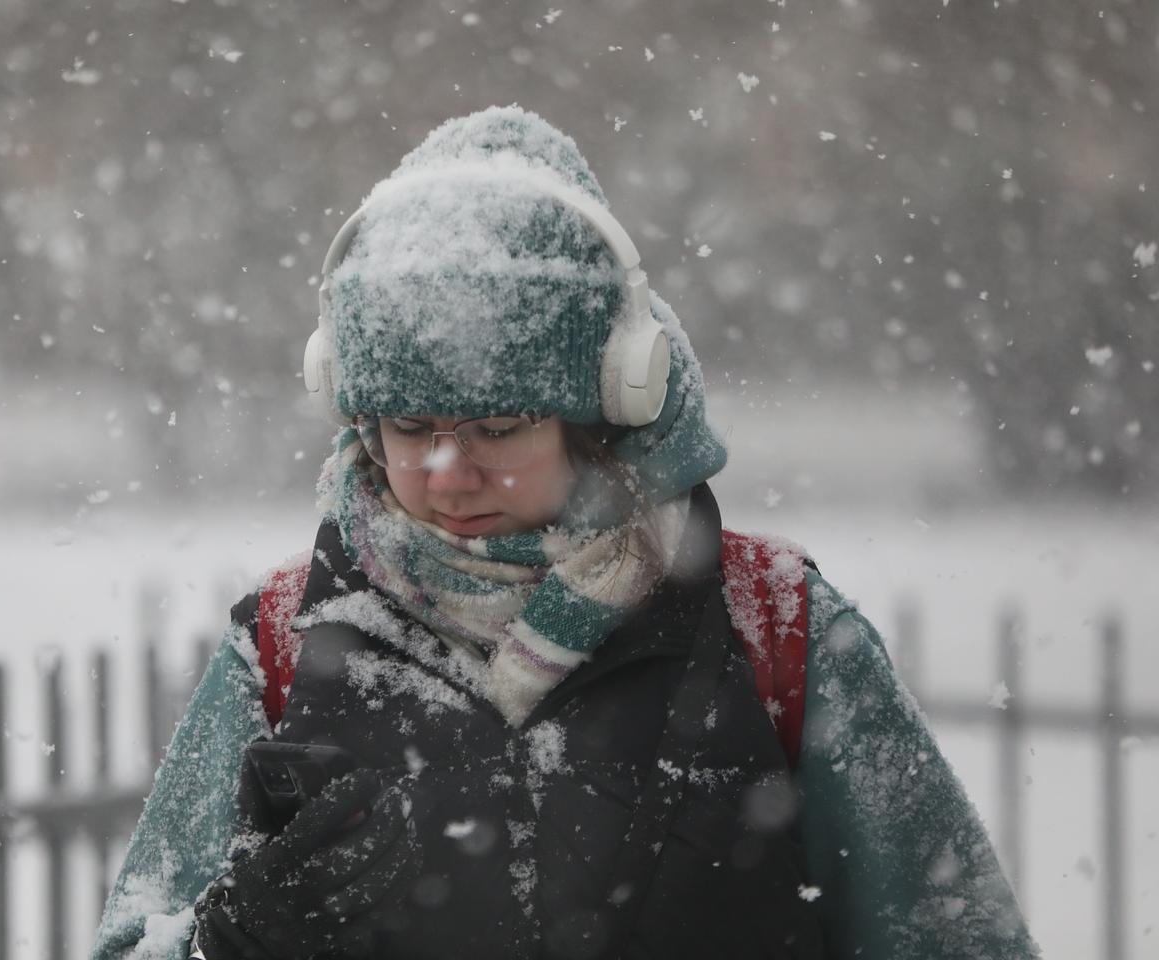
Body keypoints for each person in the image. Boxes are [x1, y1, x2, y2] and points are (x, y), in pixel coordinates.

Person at [91, 107, 1038, 960]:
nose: (445, 470)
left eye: (498, 428)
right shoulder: (281, 642)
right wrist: (224, 946)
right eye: (409, 428)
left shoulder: (777, 631)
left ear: (609, 404)